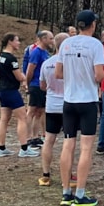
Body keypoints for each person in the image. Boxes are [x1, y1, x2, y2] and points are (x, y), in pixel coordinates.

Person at [56, 10, 104, 206]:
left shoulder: (66, 43)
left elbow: (58, 73)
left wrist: (74, 76)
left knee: (68, 145)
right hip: (87, 101)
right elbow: (99, 75)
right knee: (86, 148)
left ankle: (65, 192)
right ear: (92, 25)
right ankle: (80, 194)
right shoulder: (95, 44)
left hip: (69, 100)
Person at [38, 32, 74, 187]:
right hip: (68, 105)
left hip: (52, 105)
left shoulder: (47, 63)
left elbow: (42, 85)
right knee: (69, 141)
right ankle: (68, 174)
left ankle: (45, 174)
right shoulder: (71, 63)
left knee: (49, 140)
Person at [0, 32, 37, 158]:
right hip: (11, 91)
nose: (19, 43)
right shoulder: (11, 59)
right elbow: (19, 76)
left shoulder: (1, 56)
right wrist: (24, 79)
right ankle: (24, 148)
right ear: (10, 41)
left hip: (1, 90)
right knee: (22, 118)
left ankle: (1, 148)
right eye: (17, 40)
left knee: (4, 119)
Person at [24, 30, 53, 148]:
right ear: (43, 39)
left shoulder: (45, 52)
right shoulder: (36, 52)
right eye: (50, 38)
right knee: (31, 111)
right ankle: (27, 137)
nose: (52, 41)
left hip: (42, 86)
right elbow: (30, 69)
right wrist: (28, 83)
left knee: (39, 112)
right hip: (35, 85)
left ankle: (35, 137)